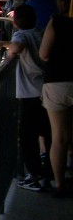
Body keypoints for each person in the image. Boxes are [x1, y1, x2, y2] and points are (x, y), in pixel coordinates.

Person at [2, 4, 53, 192]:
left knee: (27, 136)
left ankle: (35, 176)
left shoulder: (20, 35)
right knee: (47, 132)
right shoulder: (39, 32)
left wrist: (8, 49)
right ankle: (50, 170)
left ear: (16, 22)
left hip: (30, 93)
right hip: (45, 89)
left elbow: (16, 48)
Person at [40, 11, 73, 197]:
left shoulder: (57, 23)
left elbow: (44, 54)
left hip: (58, 83)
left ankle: (60, 185)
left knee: (59, 136)